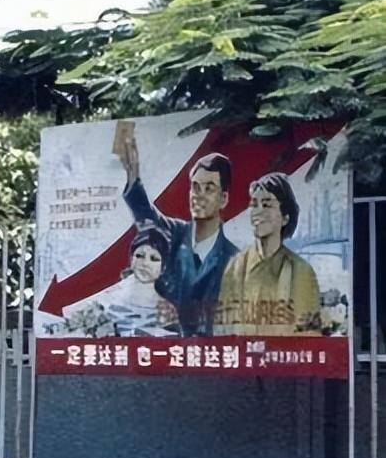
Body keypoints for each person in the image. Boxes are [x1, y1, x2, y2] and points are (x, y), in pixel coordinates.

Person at [120, 134, 238, 335]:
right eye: (195, 187)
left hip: (208, 358)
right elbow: (146, 216)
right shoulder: (173, 234)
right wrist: (133, 178)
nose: (198, 195)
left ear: (223, 198)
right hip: (163, 354)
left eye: (209, 188)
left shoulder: (235, 261)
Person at [215, 172, 321, 336]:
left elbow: (309, 335)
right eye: (254, 205)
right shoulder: (235, 268)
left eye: (266, 205)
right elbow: (222, 328)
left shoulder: (301, 271)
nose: (257, 212)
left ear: (285, 217)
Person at [72, 223, 178, 333]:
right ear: (131, 260)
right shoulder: (108, 299)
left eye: (154, 258)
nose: (145, 263)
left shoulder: (169, 309)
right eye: (139, 256)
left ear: (163, 267)